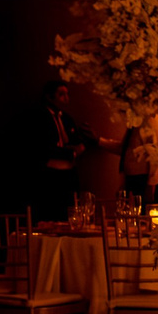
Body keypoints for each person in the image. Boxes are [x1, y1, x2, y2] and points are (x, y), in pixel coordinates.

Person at [26, 79, 99, 222]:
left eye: (67, 94)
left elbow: (75, 140)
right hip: (50, 174)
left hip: (69, 174)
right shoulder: (38, 117)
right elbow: (42, 147)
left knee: (70, 211)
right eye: (61, 94)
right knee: (52, 213)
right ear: (49, 96)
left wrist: (82, 145)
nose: (66, 98)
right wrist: (70, 152)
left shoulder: (66, 118)